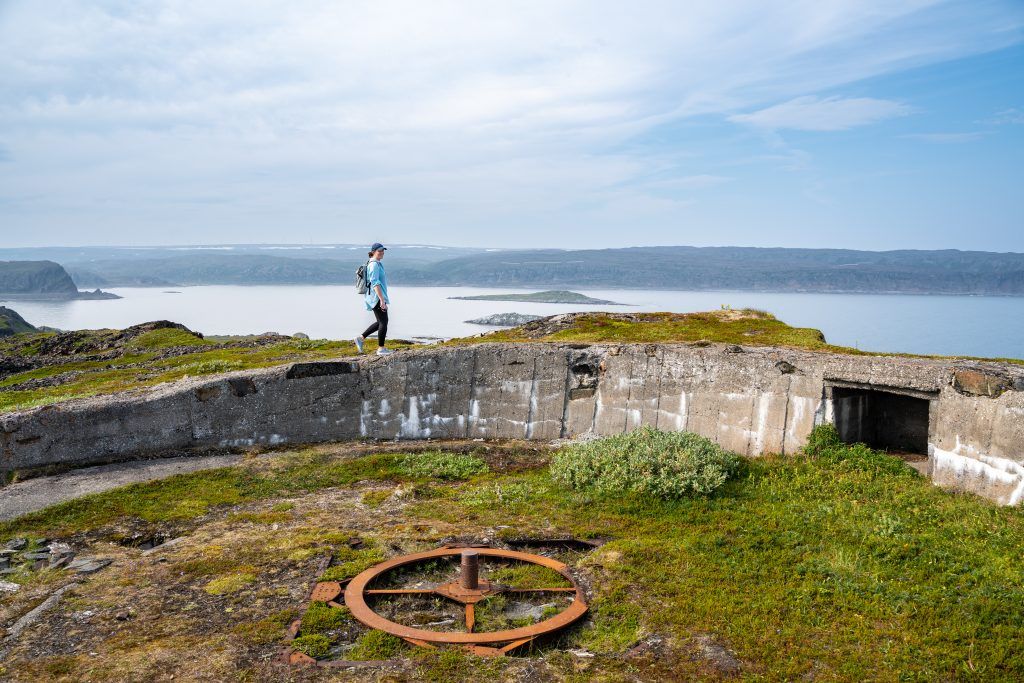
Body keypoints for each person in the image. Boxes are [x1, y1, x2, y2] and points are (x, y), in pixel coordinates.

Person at [355, 243, 392, 355]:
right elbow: (375, 283)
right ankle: (381, 349)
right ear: (374, 251)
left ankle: (360, 338)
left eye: (383, 251)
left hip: (375, 296)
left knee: (381, 322)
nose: (382, 252)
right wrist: (381, 299)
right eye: (379, 251)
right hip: (376, 297)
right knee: (384, 322)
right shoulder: (374, 265)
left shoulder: (376, 263)